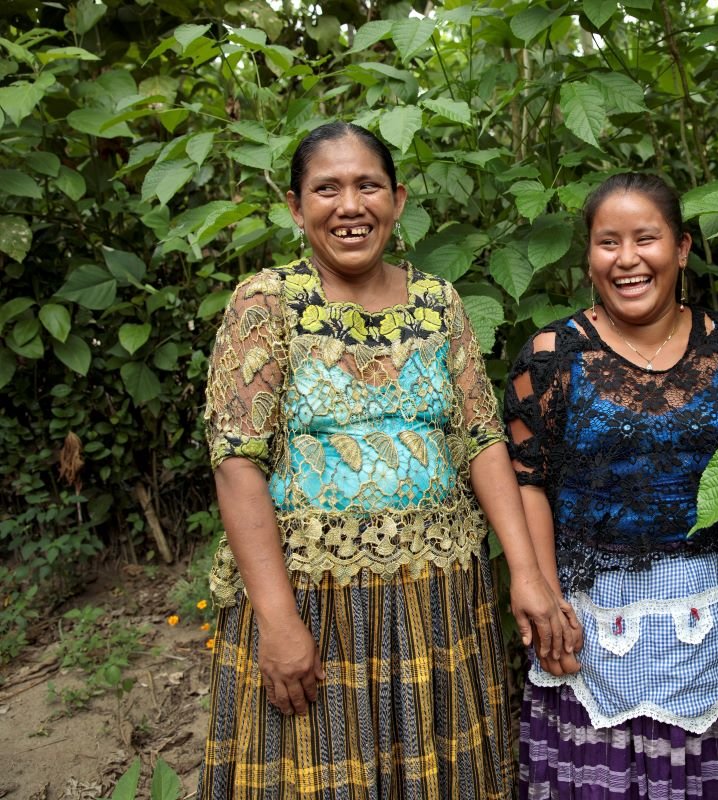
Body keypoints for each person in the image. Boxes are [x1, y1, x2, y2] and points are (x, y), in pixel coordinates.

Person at [198, 121, 568, 799]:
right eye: (326, 189)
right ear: (294, 205)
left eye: (367, 185)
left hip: (437, 598)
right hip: (312, 598)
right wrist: (278, 621)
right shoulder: (267, 303)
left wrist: (527, 573)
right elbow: (236, 463)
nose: (349, 206)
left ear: (397, 201)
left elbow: (481, 438)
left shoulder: (438, 303)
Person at [505, 172, 718, 799]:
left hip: (708, 615)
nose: (627, 259)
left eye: (645, 239)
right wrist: (547, 598)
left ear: (681, 248)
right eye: (608, 242)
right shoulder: (551, 356)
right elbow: (529, 480)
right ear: (588, 257)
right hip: (591, 618)